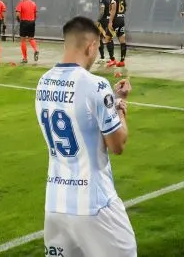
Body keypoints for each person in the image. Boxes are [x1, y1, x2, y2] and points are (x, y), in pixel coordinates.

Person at [36, 16, 135, 256]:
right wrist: (120, 108)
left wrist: (112, 99)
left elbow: (81, 120)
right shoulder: (96, 85)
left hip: (56, 205)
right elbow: (117, 144)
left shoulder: (43, 83)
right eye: (97, 49)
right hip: (95, 204)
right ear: (91, 46)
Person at [16, 0, 39, 64]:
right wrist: (32, 20)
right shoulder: (33, 3)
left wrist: (19, 20)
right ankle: (36, 49)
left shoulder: (21, 3)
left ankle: (25, 59)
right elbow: (36, 15)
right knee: (31, 38)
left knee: (23, 40)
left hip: (24, 22)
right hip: (32, 22)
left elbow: (18, 14)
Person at [109, 0, 128, 68]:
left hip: (115, 20)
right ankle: (122, 61)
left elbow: (113, 10)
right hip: (122, 19)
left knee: (107, 38)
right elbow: (125, 7)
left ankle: (112, 60)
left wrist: (110, 22)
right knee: (122, 40)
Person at [97, 0, 117, 65]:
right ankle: (112, 58)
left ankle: (102, 57)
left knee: (99, 38)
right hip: (111, 21)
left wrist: (98, 20)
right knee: (109, 39)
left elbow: (102, 11)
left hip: (103, 21)